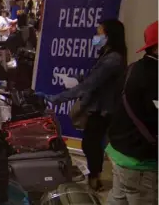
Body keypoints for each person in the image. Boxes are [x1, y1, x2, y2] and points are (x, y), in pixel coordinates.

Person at [104, 21, 158, 205]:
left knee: (118, 204)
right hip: (142, 160)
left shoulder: (131, 69)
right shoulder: (153, 78)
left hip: (120, 152)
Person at [46, 19, 128, 191]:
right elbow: (91, 78)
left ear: (109, 35)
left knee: (92, 143)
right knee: (91, 143)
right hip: (100, 107)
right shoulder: (107, 56)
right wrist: (75, 78)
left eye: (99, 33)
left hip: (102, 110)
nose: (96, 37)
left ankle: (94, 179)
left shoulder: (112, 59)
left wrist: (56, 98)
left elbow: (89, 85)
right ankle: (94, 177)